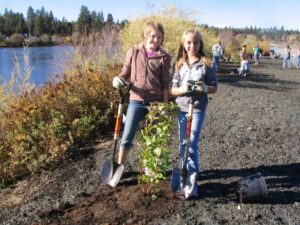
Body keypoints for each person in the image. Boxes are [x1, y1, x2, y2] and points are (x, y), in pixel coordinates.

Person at [112, 21, 171, 167]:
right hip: (135, 101)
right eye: (152, 36)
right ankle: (119, 166)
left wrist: (164, 105)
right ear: (145, 35)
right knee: (127, 137)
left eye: (159, 37)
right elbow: (125, 72)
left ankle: (149, 168)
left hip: (155, 103)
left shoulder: (164, 57)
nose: (155, 40)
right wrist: (118, 79)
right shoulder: (133, 51)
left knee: (154, 138)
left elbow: (165, 83)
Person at [171, 29, 218, 199]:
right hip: (182, 108)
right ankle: (183, 175)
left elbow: (214, 86)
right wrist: (182, 89)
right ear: (183, 44)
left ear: (200, 44)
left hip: (197, 109)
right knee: (183, 143)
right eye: (189, 42)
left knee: (191, 144)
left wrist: (205, 88)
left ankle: (192, 181)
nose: (192, 46)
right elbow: (172, 89)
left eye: (195, 42)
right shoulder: (179, 64)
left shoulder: (207, 63)